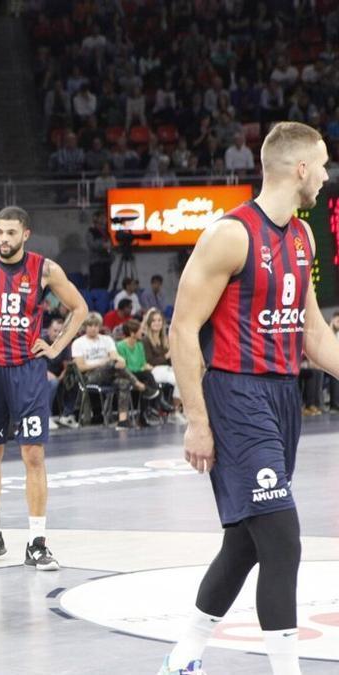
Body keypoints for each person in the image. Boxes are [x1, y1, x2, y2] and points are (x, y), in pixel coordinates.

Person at [158, 121, 338, 675]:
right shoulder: (229, 235)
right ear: (301, 169)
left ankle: (183, 659)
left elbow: (312, 333)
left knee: (245, 542)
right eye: (324, 164)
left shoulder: (304, 238)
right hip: (236, 394)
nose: (328, 175)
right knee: (282, 537)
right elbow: (182, 330)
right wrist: (196, 421)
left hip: (284, 398)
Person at [0, 206, 89, 572]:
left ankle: (37, 543)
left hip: (26, 372)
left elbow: (79, 308)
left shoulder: (45, 269)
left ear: (26, 234)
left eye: (11, 233)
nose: (3, 239)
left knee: (33, 457)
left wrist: (55, 349)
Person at [71, 312, 136, 429]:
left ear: (100, 326)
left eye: (96, 326)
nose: (93, 328)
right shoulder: (78, 343)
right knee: (111, 364)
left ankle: (123, 421)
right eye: (90, 326)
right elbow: (81, 367)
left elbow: (115, 356)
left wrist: (121, 360)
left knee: (124, 382)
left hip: (109, 374)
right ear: (85, 327)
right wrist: (101, 363)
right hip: (89, 377)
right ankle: (136, 382)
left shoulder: (107, 340)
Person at [142, 308, 184, 423]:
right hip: (152, 371)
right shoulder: (145, 340)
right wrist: (167, 356)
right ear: (149, 323)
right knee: (178, 379)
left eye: (159, 320)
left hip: (166, 369)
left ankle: (179, 410)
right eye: (154, 320)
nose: (157, 323)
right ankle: (174, 412)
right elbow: (149, 360)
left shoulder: (165, 339)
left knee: (184, 376)